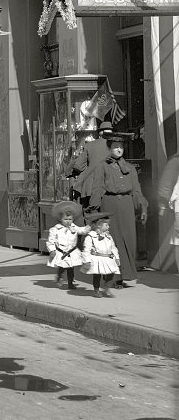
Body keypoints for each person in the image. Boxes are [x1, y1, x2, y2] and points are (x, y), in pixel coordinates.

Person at [86, 134, 148, 286]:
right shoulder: (102, 166)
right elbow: (97, 188)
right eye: (115, 147)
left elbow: (137, 189)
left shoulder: (130, 168)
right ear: (110, 148)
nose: (119, 149)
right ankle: (115, 278)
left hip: (127, 205)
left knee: (129, 240)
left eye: (121, 147)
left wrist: (143, 207)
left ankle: (126, 274)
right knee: (114, 241)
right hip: (110, 205)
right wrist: (95, 211)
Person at [45, 200, 89, 291]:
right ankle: (59, 277)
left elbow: (82, 230)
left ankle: (70, 283)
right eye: (66, 219)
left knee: (70, 268)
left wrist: (90, 227)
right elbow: (50, 241)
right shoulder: (55, 229)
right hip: (61, 252)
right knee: (62, 266)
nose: (68, 222)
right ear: (60, 219)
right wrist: (52, 250)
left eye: (70, 219)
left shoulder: (73, 227)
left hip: (71, 251)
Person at [70, 120, 114, 206]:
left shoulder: (89, 146)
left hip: (89, 189)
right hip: (108, 189)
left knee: (90, 216)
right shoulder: (116, 147)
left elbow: (78, 166)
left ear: (100, 133)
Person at [83, 212, 121, 296]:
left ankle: (107, 288)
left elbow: (113, 247)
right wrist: (87, 261)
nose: (108, 227)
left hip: (108, 258)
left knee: (111, 273)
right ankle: (96, 290)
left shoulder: (108, 236)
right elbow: (86, 249)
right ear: (98, 225)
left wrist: (117, 258)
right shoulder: (91, 236)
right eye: (106, 225)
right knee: (97, 275)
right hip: (97, 258)